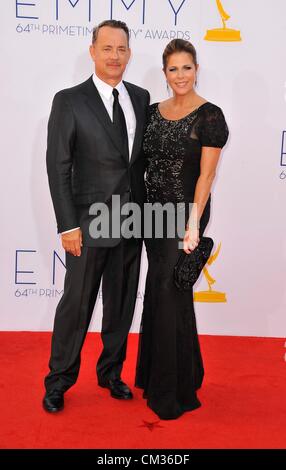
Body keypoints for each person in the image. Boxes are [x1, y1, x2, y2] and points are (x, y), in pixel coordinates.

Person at [43, 20, 150, 413]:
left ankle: (111, 373)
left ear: (130, 53)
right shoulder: (69, 100)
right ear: (92, 51)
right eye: (107, 48)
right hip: (87, 225)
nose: (114, 56)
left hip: (132, 222)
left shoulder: (140, 97)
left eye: (121, 48)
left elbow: (135, 162)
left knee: (121, 305)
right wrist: (68, 224)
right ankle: (58, 382)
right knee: (77, 306)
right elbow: (59, 165)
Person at [135, 39, 229, 420]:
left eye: (186, 68)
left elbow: (206, 176)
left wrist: (192, 224)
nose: (180, 76)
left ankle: (173, 391)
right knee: (163, 293)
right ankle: (178, 375)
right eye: (173, 69)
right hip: (150, 216)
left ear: (196, 69)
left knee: (168, 291)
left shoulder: (210, 115)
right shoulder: (154, 112)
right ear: (164, 73)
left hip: (184, 217)